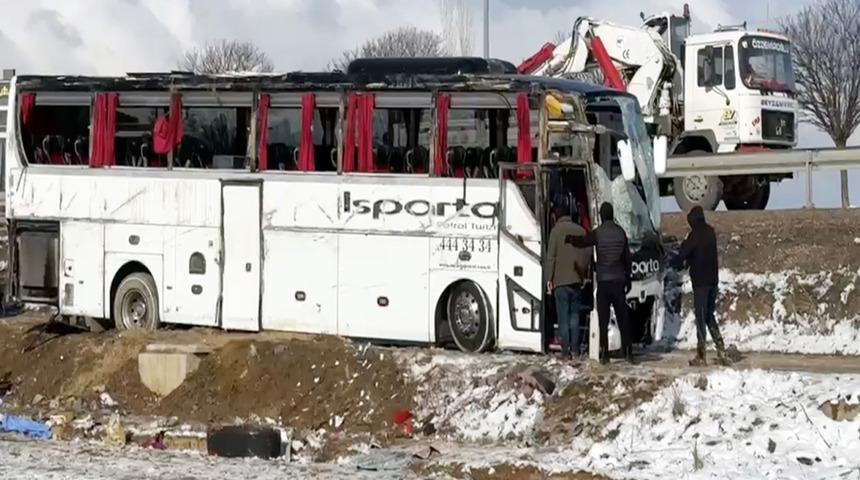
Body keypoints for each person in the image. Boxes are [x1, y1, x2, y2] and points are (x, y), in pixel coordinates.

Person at [567, 202, 633, 365]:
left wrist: (570, 239)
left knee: (603, 319)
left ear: (602, 216)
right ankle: (629, 352)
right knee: (622, 318)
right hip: (618, 281)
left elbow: (584, 241)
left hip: (604, 281)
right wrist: (628, 278)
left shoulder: (598, 233)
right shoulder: (621, 233)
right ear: (612, 214)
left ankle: (604, 354)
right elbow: (627, 258)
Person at [673, 206, 730, 366]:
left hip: (701, 284)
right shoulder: (710, 232)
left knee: (700, 317)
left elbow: (684, 253)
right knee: (709, 316)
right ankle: (721, 349)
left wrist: (676, 260)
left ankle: (701, 354)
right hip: (713, 281)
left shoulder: (695, 235)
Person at [545, 197, 592, 359]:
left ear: (558, 216)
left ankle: (565, 352)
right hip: (576, 282)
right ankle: (575, 350)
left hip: (560, 283)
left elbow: (551, 257)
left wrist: (548, 279)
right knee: (574, 318)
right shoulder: (580, 231)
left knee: (563, 318)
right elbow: (588, 254)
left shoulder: (555, 232)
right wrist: (584, 274)